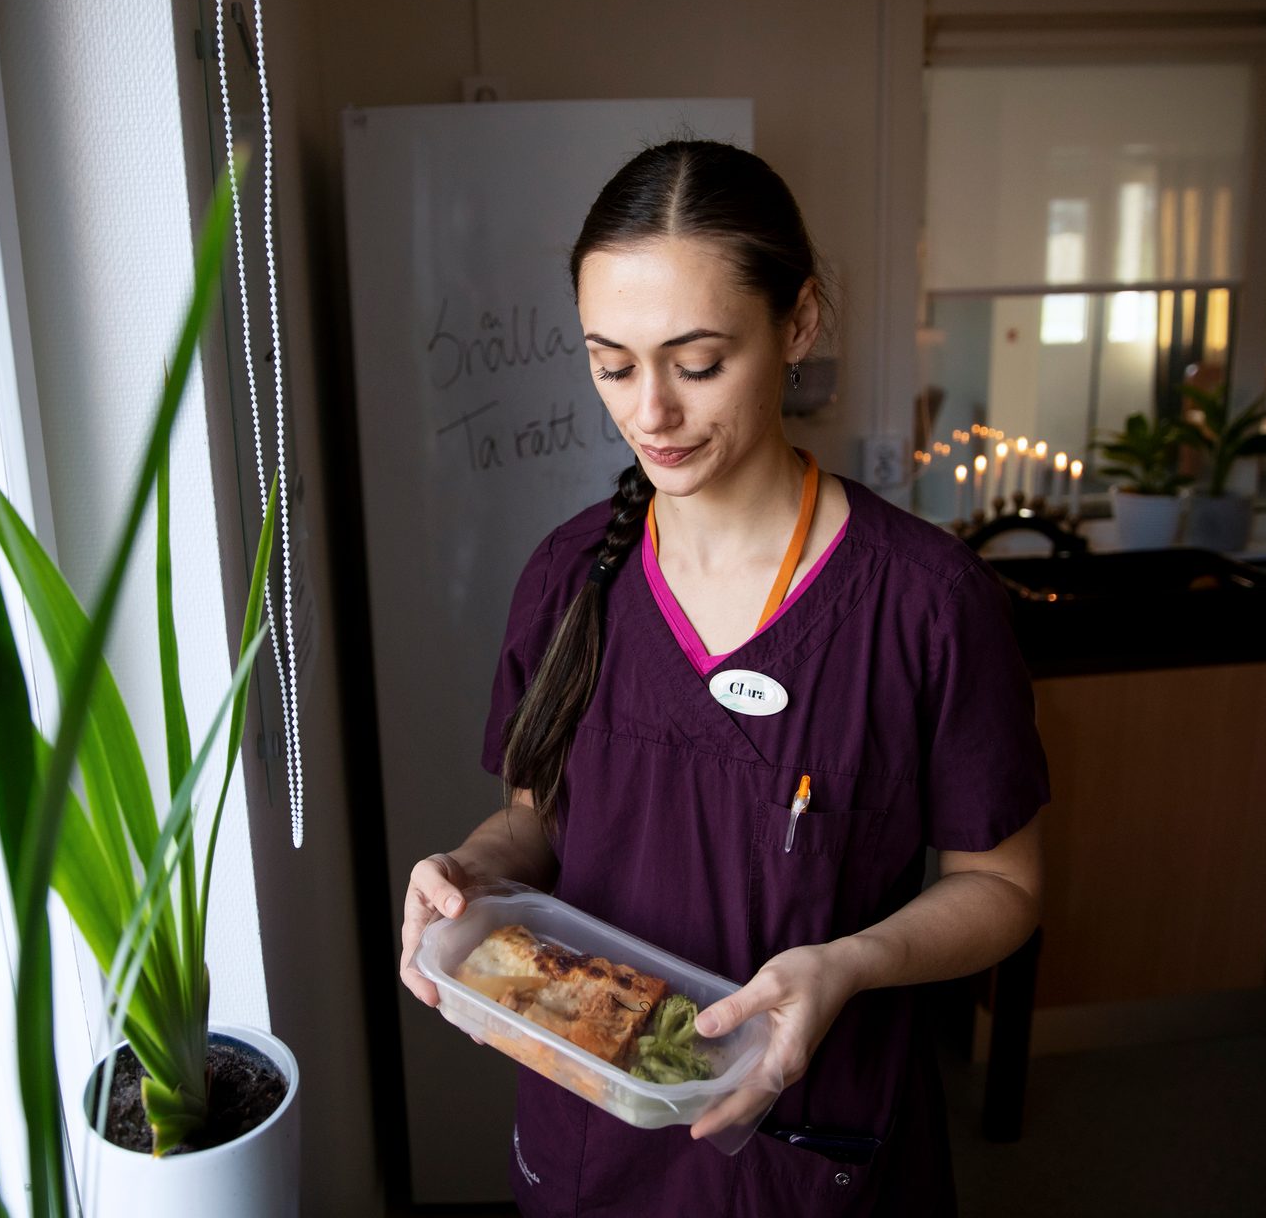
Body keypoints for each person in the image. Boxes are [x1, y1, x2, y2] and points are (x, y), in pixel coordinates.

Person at [397, 140, 1048, 1216]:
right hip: (594, 1133)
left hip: (814, 1146)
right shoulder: (569, 577)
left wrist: (849, 962)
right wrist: (468, 866)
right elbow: (537, 822)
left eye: (696, 362)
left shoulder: (926, 602)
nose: (649, 411)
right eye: (612, 363)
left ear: (798, 323)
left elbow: (1005, 886)